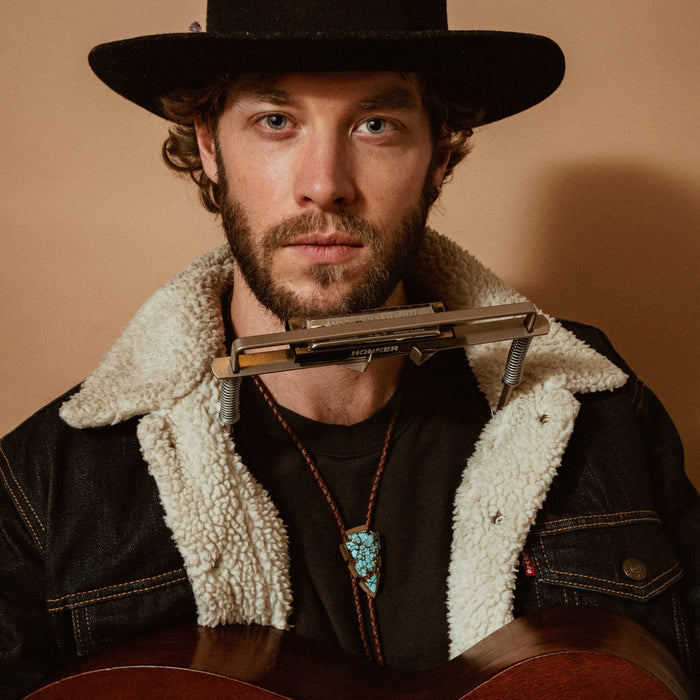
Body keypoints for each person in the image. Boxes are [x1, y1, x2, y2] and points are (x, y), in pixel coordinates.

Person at [1, 0, 698, 696]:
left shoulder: (599, 411)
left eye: (376, 125)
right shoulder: (44, 487)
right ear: (210, 146)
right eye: (276, 122)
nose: (326, 184)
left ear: (441, 151)